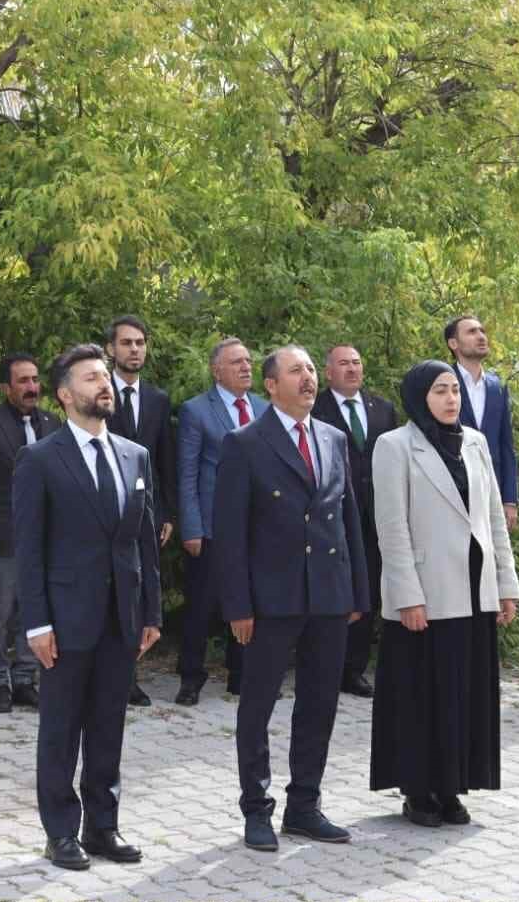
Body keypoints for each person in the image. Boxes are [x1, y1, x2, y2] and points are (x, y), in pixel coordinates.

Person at [213, 345, 369, 852]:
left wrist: (357, 591)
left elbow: (349, 524)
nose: (307, 379)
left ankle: (304, 805)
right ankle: (256, 810)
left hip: (327, 594)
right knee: (257, 707)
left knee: (320, 704)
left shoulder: (333, 437)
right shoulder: (245, 443)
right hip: (270, 599)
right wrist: (237, 605)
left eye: (309, 370)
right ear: (270, 386)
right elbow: (230, 533)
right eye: (295, 371)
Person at [14, 344, 161, 870]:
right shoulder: (39, 459)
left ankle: (103, 826)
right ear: (64, 394)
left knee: (107, 725)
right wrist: (38, 622)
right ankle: (60, 832)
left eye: (106, 376)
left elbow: (142, 541)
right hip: (66, 619)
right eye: (92, 377)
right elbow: (28, 550)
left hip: (121, 617)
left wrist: (151, 612)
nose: (104, 384)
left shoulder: (134, 455)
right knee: (61, 728)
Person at [370, 361, 519, 828]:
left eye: (455, 390)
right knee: (422, 693)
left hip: (475, 590)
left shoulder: (475, 443)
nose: (451, 399)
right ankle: (419, 790)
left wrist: (506, 584)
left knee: (465, 692)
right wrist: (406, 596)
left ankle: (454, 785)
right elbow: (391, 528)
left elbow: (493, 517)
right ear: (420, 397)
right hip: (425, 592)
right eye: (440, 390)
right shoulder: (394, 446)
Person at [0, 352, 63, 713]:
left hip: (46, 538)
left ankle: (25, 678)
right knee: (0, 612)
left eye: (35, 380)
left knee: (34, 609)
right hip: (2, 536)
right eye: (23, 381)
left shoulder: (53, 423)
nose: (31, 387)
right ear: (6, 387)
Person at [174, 337, 268, 703]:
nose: (246, 367)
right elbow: (187, 473)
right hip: (212, 527)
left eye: (248, 361)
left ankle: (241, 675)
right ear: (216, 370)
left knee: (249, 601)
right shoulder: (196, 411)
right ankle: (191, 677)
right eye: (236, 362)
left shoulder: (263, 407)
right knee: (201, 605)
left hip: (256, 526)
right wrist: (192, 526)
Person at [311, 343, 396, 697]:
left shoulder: (383, 409)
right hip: (332, 514)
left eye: (357, 363)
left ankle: (355, 669)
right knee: (332, 589)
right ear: (328, 372)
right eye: (344, 364)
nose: (352, 369)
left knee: (368, 590)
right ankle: (322, 665)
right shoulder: (315, 408)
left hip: (376, 515)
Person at [106, 314, 177, 707]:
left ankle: (129, 677)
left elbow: (165, 461)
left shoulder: (158, 399)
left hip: (147, 513)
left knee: (140, 593)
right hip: (105, 507)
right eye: (127, 343)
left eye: (140, 343)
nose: (135, 349)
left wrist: (166, 513)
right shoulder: (98, 394)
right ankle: (107, 672)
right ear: (110, 350)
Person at [445, 315, 519, 531]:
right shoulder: (443, 383)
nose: (481, 336)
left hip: (492, 492)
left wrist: (510, 499)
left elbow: (506, 444)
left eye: (482, 331)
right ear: (453, 343)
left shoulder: (497, 386)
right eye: (471, 332)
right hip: (454, 492)